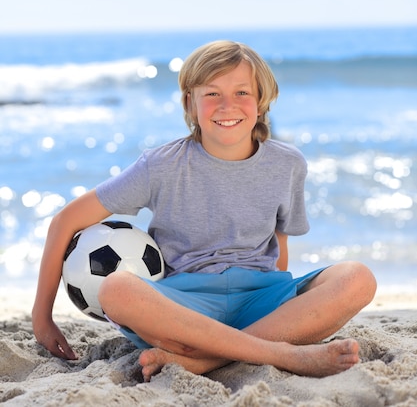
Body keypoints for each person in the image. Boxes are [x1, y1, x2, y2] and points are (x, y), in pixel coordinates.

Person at [32, 40, 377, 381]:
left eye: (242, 93)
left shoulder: (288, 164)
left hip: (261, 301)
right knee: (114, 289)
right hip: (184, 307)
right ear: (190, 103)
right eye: (212, 94)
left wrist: (284, 307)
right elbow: (66, 221)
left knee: (358, 278)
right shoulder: (160, 166)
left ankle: (207, 361)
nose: (228, 105)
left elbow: (279, 246)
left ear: (261, 101)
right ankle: (282, 354)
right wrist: (42, 317)